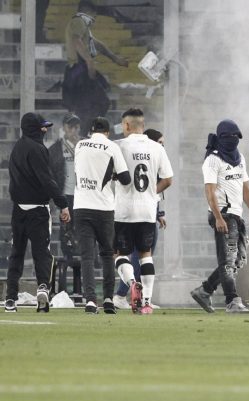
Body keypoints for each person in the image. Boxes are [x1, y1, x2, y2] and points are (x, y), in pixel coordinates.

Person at [190, 120, 249, 314]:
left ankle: (205, 290)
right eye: (230, 136)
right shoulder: (213, 160)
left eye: (237, 136)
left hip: (238, 215)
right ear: (220, 138)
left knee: (238, 260)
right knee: (228, 260)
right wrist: (218, 217)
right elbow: (209, 191)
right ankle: (232, 300)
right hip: (223, 214)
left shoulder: (239, 157)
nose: (233, 140)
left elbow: (245, 186)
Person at [5, 113, 71, 313]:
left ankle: (10, 299)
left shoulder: (16, 148)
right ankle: (43, 286)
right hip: (38, 211)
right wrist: (63, 203)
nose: (45, 130)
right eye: (42, 127)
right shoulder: (39, 149)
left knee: (16, 254)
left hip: (18, 210)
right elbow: (46, 180)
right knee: (42, 253)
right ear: (34, 128)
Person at [113, 109, 173, 314]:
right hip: (147, 209)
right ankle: (146, 301)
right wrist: (150, 193)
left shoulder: (118, 146)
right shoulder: (157, 148)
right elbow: (168, 179)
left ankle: (131, 284)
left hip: (123, 210)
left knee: (121, 254)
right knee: (146, 255)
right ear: (143, 125)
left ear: (127, 125)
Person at [73, 117, 130, 314]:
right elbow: (126, 179)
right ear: (107, 132)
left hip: (81, 206)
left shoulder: (80, 145)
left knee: (87, 256)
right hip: (104, 208)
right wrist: (112, 175)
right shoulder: (112, 146)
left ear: (91, 130)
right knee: (106, 255)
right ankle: (107, 299)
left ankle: (90, 300)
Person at [62, 0, 129, 136]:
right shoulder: (78, 21)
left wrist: (115, 58)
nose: (96, 18)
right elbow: (76, 40)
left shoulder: (85, 28)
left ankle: (85, 132)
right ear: (88, 11)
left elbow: (97, 44)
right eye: (95, 14)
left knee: (97, 103)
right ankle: (84, 133)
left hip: (81, 70)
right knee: (98, 102)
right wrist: (88, 61)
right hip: (79, 71)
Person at [48, 113, 83, 301]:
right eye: (71, 127)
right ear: (64, 128)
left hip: (83, 196)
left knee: (83, 231)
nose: (74, 130)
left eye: (76, 127)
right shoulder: (56, 148)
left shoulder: (85, 145)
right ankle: (68, 261)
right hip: (65, 196)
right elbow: (51, 173)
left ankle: (83, 267)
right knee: (65, 230)